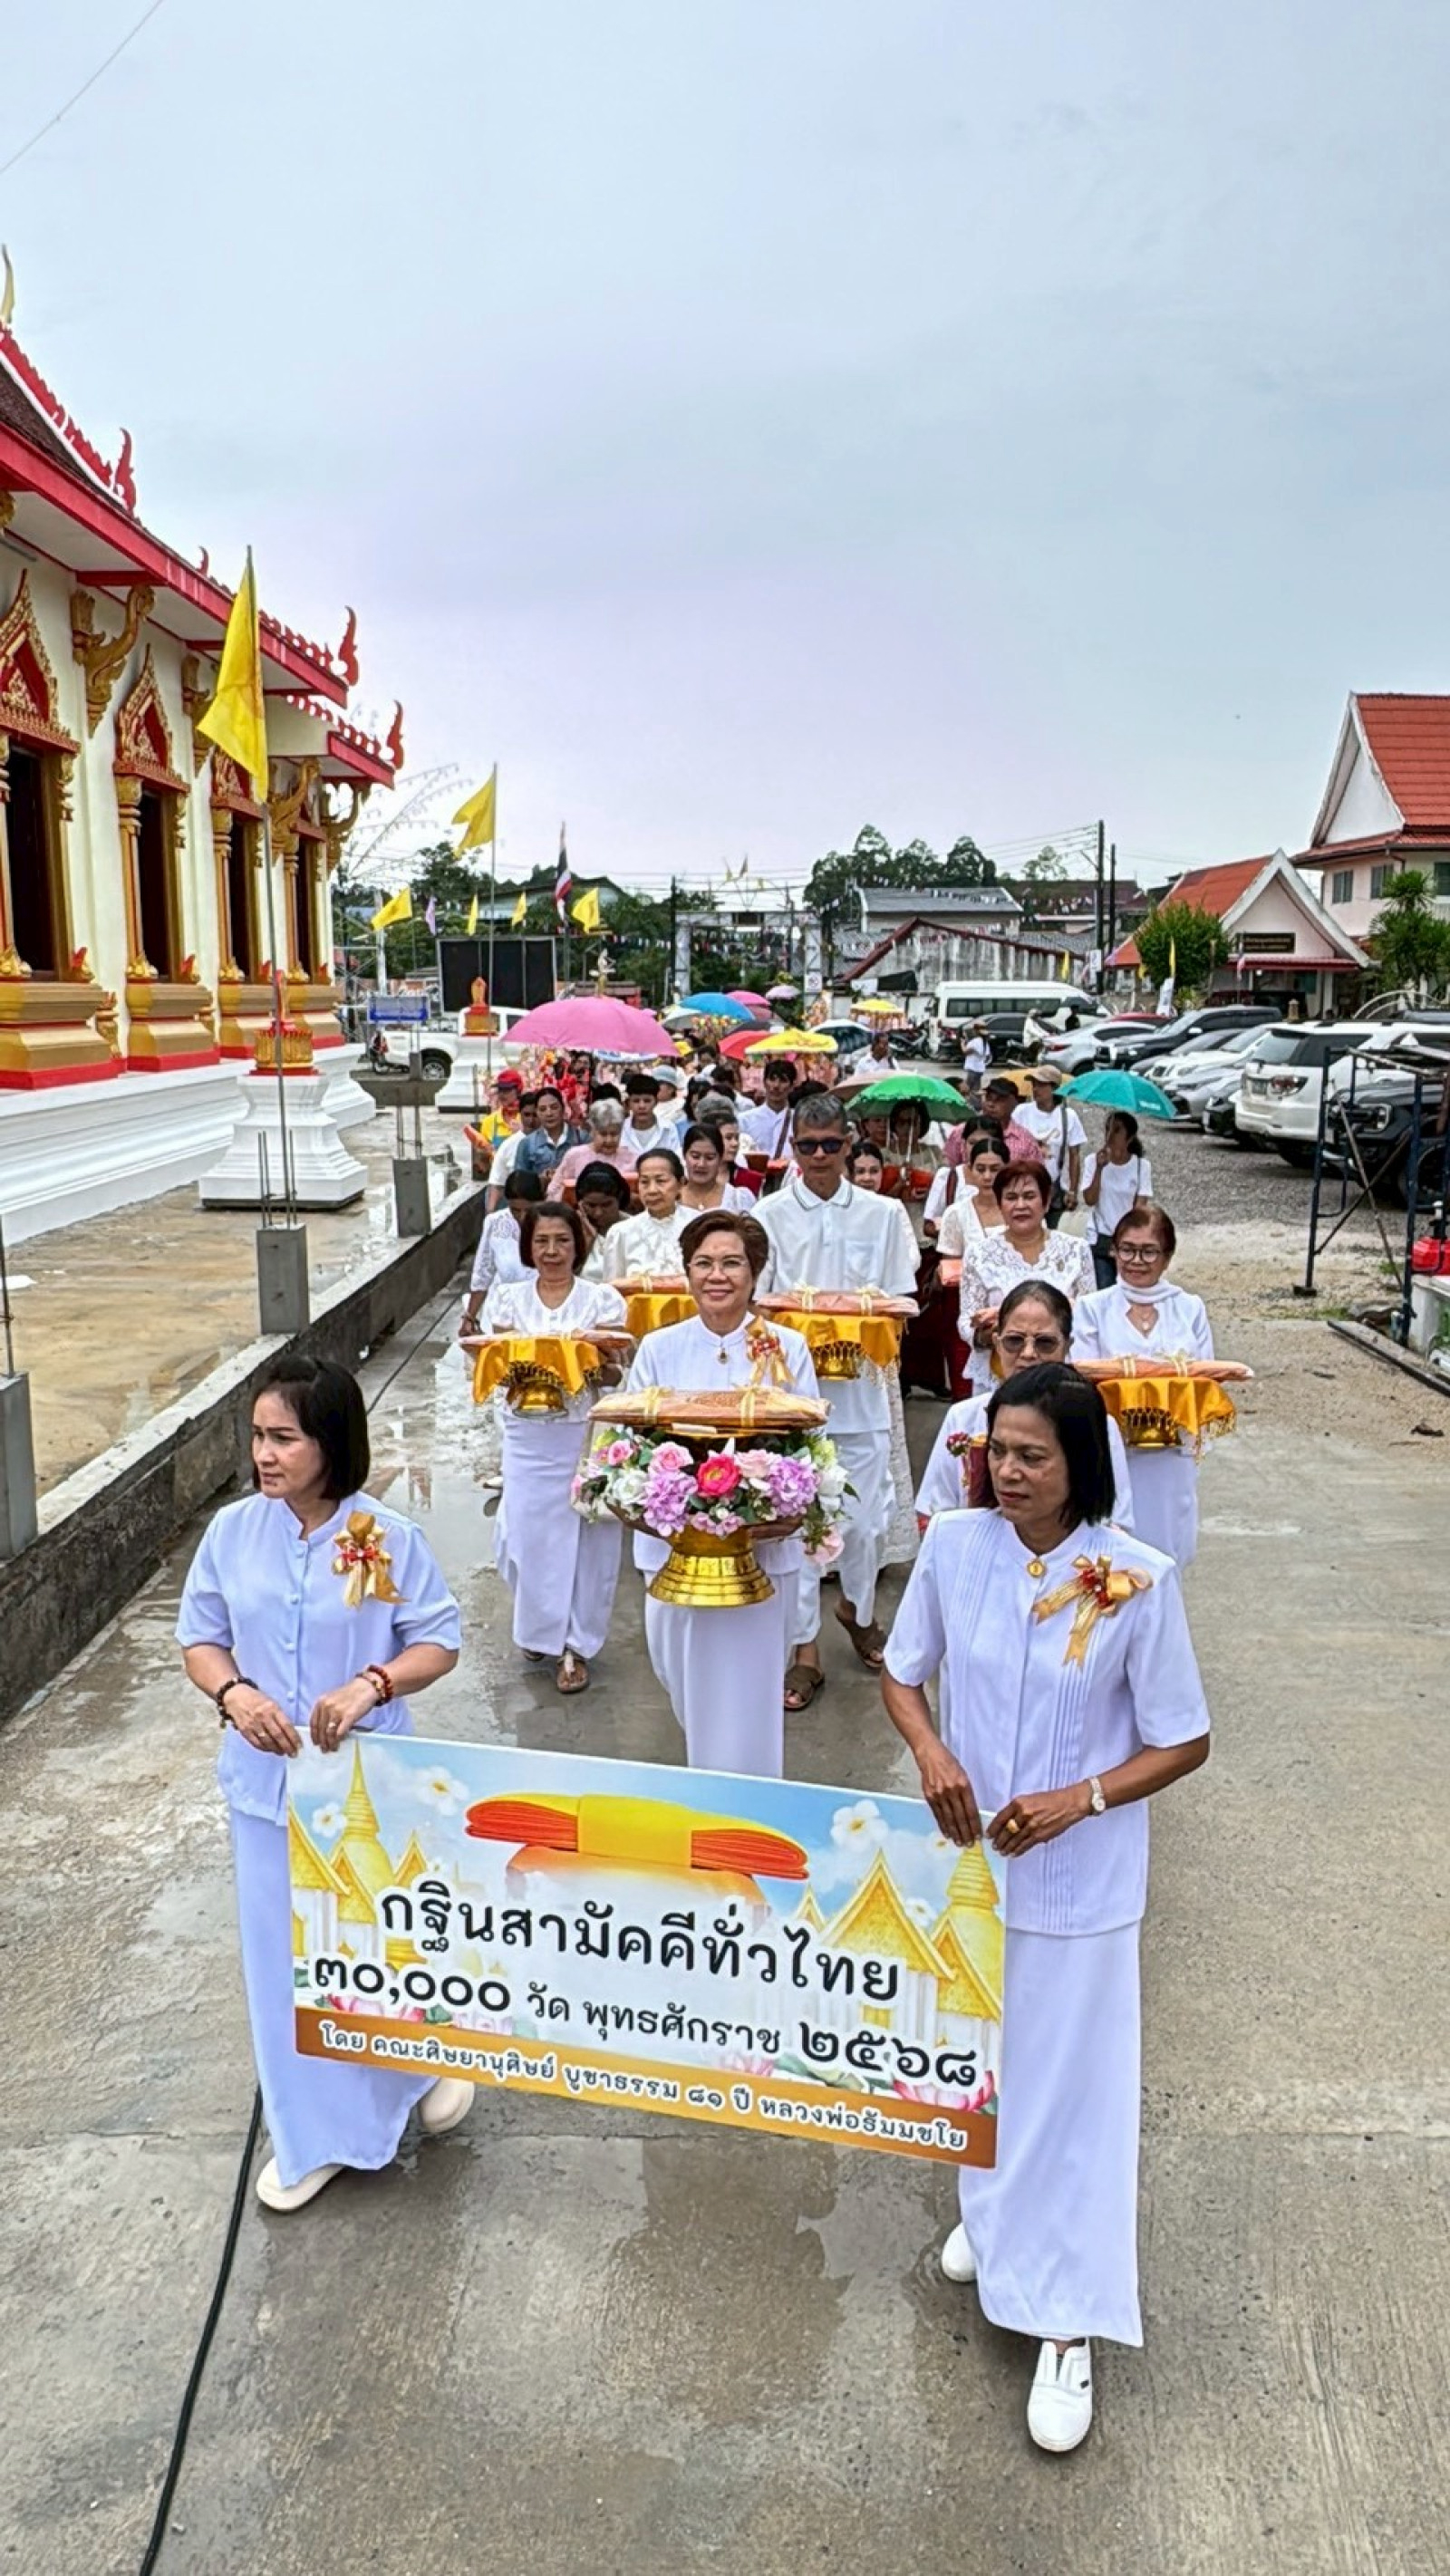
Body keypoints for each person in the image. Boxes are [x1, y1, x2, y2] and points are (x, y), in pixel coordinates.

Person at [883, 1364, 1210, 2452]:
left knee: (1074, 2095)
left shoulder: (1135, 1579)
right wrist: (930, 1750)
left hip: (1080, 1880)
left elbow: (1183, 1736)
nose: (1006, 1472)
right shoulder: (954, 1548)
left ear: (1081, 1466)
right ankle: (993, 2212)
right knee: (983, 2057)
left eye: (1032, 1456)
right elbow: (902, 1670)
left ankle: (1067, 2325)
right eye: (995, 1450)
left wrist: (1086, 1796)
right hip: (969, 1870)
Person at [177, 1356, 468, 2214]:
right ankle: (316, 2136)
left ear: (329, 1443)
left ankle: (417, 2068)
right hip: (266, 1790)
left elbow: (438, 1640)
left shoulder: (386, 1539)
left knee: (375, 1944)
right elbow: (201, 1638)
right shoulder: (232, 1533)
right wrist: (235, 1693)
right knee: (284, 1964)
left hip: (365, 1787)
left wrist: (372, 1683)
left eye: (283, 1438)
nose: (263, 1454)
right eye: (257, 1436)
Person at [624, 1212, 820, 1775]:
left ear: (755, 1272)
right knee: (684, 1685)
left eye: (732, 1262)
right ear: (686, 1272)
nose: (718, 1275)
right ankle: (706, 1794)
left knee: (752, 1700)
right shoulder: (659, 1349)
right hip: (675, 1556)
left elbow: (811, 1446)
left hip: (761, 1556)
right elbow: (628, 1443)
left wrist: (783, 1508)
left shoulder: (787, 1348)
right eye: (704, 1263)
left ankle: (752, 1812)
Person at [756, 1093, 919, 1697]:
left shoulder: (881, 1214)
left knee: (868, 1523)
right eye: (807, 1145)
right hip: (794, 1393)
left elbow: (903, 1299)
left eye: (831, 1145)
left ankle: (858, 1608)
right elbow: (759, 1301)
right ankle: (805, 1649)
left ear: (849, 1144)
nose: (819, 1157)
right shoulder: (770, 1215)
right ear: (792, 1147)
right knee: (800, 1526)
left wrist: (852, 1314)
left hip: (863, 1391)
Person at [481, 1202, 629, 1692]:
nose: (551, 1251)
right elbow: (494, 1370)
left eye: (562, 1241)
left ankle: (575, 1646)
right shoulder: (506, 1301)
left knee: (585, 1540)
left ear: (577, 1245)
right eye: (542, 1241)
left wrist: (584, 1364)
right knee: (520, 1538)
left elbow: (613, 1373)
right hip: (526, 1435)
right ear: (528, 1246)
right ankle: (538, 1627)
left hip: (581, 1432)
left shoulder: (601, 1301)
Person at [914, 1282, 1134, 1528]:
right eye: (1015, 1341)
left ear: (1068, 1346)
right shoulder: (963, 1417)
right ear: (997, 1344)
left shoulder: (1099, 1422)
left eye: (1045, 1343)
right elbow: (934, 1511)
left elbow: (1112, 1519)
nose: (1028, 1354)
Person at [1071, 1204, 1213, 1565]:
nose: (1137, 1260)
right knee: (1113, 1556)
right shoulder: (1092, 1308)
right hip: (1114, 1451)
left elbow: (1205, 1379)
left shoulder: (1189, 1308)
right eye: (1127, 1249)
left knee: (1167, 1552)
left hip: (1170, 1455)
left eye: (1149, 1251)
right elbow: (1084, 1378)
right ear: (1113, 1251)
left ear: (1166, 1257)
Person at [846, 1140, 921, 1566]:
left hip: (872, 1340)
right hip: (830, 1337)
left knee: (880, 1442)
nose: (868, 1178)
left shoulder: (889, 1213)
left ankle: (879, 1544)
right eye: (861, 1171)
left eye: (875, 1171)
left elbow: (907, 1260)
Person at [958, 1163, 1094, 1393]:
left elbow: (1090, 1315)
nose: (1020, 1205)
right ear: (1000, 1204)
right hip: (999, 1374)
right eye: (1011, 1197)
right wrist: (993, 1335)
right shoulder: (979, 1254)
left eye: (1029, 1196)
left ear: (1046, 1201)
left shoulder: (1076, 1250)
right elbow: (966, 1322)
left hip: (1062, 1375)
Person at [461, 1169, 544, 1326]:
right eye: (516, 1210)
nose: (522, 1217)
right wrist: (469, 1317)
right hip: (502, 1311)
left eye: (529, 1210)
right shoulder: (495, 1223)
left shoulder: (553, 1224)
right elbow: (483, 1272)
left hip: (541, 1312)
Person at [1081, 1113, 1153, 1289]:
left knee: (1127, 1288)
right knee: (1104, 1286)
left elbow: (1140, 1206)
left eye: (1117, 1131)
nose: (1110, 1135)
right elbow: (1090, 1200)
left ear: (1129, 1137)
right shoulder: (1092, 1161)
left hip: (1127, 1237)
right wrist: (1099, 1169)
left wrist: (1127, 1234)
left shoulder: (1141, 1166)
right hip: (1100, 1235)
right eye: (1108, 1129)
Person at [602, 1146, 693, 1278]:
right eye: (644, 1182)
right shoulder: (620, 1233)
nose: (652, 1190)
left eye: (661, 1181)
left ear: (680, 1184)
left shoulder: (700, 1225)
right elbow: (612, 1289)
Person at [1015, 1067, 1087, 1224]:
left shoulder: (1068, 1116)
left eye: (1041, 1085)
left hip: (1053, 1186)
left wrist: (1073, 1190)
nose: (1035, 1089)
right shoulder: (1021, 1112)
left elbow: (1074, 1155)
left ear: (1054, 1088)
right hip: (1022, 1183)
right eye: (1034, 1084)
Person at [924, 1128, 1008, 1249]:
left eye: (995, 1170)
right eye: (980, 1169)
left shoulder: (1019, 1209)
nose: (987, 1177)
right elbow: (950, 1264)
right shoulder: (956, 1213)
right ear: (970, 1169)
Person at [547, 1096, 637, 1197]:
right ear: (593, 1131)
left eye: (614, 1134)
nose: (609, 1140)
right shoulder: (575, 1155)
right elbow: (553, 1191)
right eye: (603, 1134)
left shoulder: (632, 1158)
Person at [681, 1122, 755, 1213]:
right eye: (695, 1156)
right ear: (684, 1156)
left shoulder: (737, 1198)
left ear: (720, 1158)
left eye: (710, 1158)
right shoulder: (672, 1199)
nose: (701, 1164)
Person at [575, 1162, 633, 1278]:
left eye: (606, 1205)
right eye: (591, 1205)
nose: (598, 1213)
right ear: (581, 1203)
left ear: (619, 1199)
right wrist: (586, 1242)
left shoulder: (636, 1228)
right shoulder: (570, 1231)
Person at [516, 1085, 583, 1182]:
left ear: (563, 1109)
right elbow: (519, 1183)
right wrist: (539, 1181)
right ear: (537, 1113)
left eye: (554, 1107)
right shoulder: (527, 1144)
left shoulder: (581, 1138)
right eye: (542, 1109)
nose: (549, 1113)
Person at [486, 1088, 539, 1209]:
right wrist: (490, 1214)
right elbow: (496, 1183)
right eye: (527, 1115)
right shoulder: (508, 1145)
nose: (531, 1120)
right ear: (520, 1114)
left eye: (535, 1115)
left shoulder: (549, 1142)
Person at [740, 1059, 796, 1159]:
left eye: (783, 1080)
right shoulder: (745, 1120)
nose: (776, 1086)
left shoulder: (798, 1120)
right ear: (764, 1083)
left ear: (792, 1086)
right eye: (772, 1079)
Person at [622, 1069, 677, 1156]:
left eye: (647, 1101)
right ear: (629, 1103)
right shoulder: (621, 1129)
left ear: (656, 1102)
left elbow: (676, 1159)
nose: (642, 1106)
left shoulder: (668, 1129)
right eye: (636, 1101)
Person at [962, 1021, 991, 1095]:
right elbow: (987, 1056)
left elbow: (966, 1051)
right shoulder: (984, 1042)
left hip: (973, 1069)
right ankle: (976, 1105)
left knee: (966, 1089)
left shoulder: (975, 1042)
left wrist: (962, 1043)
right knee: (976, 1090)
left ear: (976, 1031)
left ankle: (970, 1104)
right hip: (980, 1069)